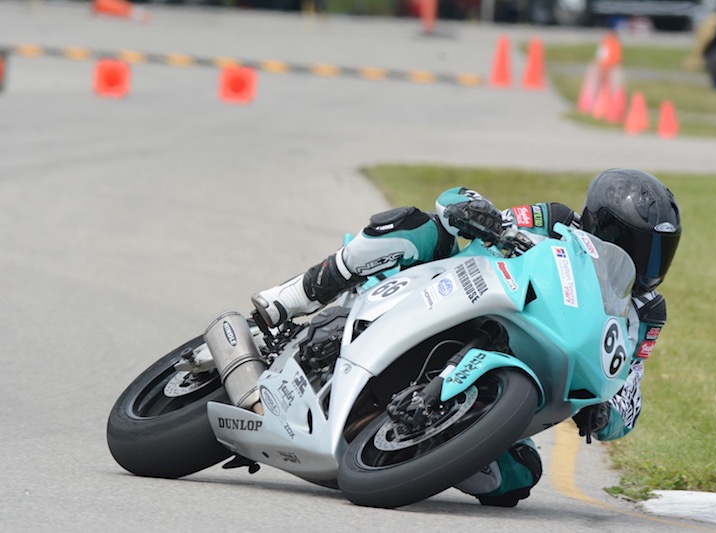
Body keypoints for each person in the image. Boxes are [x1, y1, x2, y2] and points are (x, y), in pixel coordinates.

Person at [251, 168, 682, 507]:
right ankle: (288, 298)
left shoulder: (647, 313)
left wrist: (607, 413)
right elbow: (479, 210)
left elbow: (630, 382)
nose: (649, 263)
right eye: (638, 245)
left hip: (526, 367)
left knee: (517, 478)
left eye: (660, 252)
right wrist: (479, 216)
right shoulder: (556, 219)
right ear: (603, 227)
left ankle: (424, 450)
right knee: (416, 227)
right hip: (468, 293)